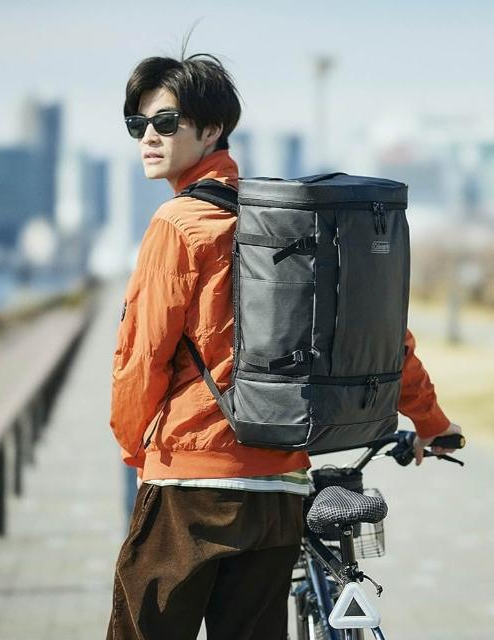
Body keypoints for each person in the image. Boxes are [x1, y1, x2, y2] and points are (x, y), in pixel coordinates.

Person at [107, 51, 462, 640]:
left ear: (212, 129)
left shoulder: (177, 225)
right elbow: (379, 338)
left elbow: (140, 360)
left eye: (165, 122)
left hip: (191, 487)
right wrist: (432, 422)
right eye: (137, 124)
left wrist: (134, 450)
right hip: (279, 493)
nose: (148, 137)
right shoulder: (293, 224)